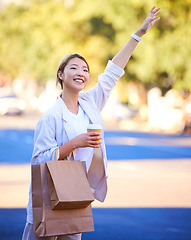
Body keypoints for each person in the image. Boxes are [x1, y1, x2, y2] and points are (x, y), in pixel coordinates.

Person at [22, 6, 160, 240]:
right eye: (73, 68)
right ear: (60, 74)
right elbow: (38, 160)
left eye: (85, 69)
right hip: (49, 198)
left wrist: (139, 34)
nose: (81, 72)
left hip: (76, 194)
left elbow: (113, 72)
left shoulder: (90, 104)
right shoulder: (51, 117)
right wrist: (76, 143)